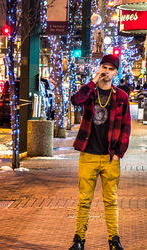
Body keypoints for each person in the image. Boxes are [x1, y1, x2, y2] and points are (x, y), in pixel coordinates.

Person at [69, 54, 131, 250]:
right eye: (104, 67)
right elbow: (75, 100)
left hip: (109, 157)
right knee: (84, 200)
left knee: (110, 200)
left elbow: (126, 128)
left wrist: (117, 153)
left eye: (111, 69)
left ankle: (114, 241)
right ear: (99, 68)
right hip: (88, 155)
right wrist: (93, 81)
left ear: (116, 72)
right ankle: (78, 241)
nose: (107, 71)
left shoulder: (121, 97)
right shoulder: (90, 93)